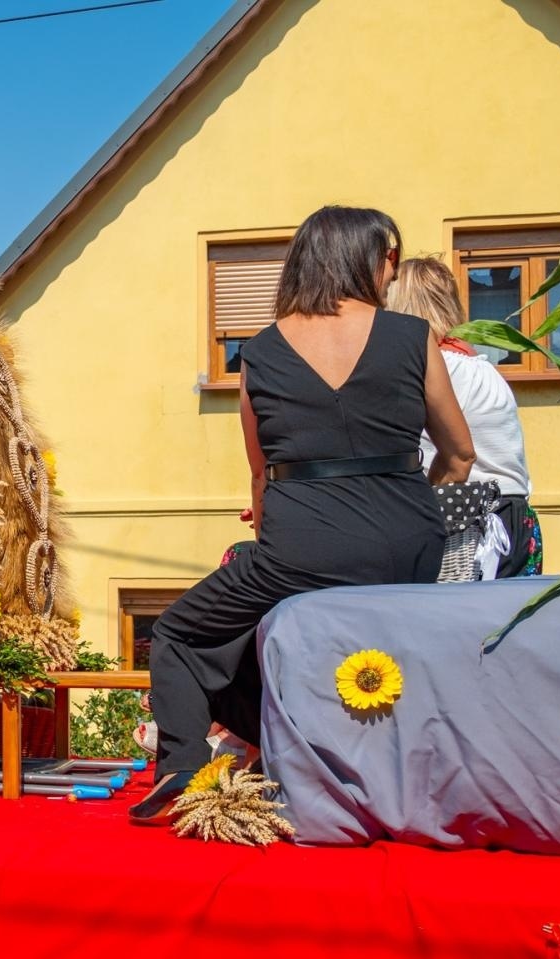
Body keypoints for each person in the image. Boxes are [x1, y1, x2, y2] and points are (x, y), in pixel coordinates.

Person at [129, 206, 476, 823]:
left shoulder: (259, 351)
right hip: (411, 545)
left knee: (183, 635)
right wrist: (409, 508)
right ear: (366, 259)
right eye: (389, 258)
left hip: (303, 548)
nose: (392, 272)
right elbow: (458, 454)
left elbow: (260, 474)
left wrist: (285, 546)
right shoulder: (412, 336)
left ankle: (184, 767)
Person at [386, 256, 540, 578]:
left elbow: (432, 455)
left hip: (471, 526)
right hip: (517, 520)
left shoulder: (438, 369)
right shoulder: (482, 368)